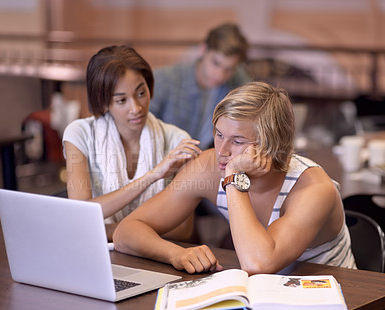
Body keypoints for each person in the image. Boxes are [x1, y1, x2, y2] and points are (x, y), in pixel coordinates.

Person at [113, 81, 356, 276]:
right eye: (219, 135)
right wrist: (175, 254)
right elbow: (126, 234)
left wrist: (233, 177)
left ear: (272, 145)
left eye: (238, 141)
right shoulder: (208, 166)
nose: (222, 150)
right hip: (264, 302)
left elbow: (258, 263)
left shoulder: (313, 187)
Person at [62, 45, 201, 241]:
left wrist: (112, 232)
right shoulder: (80, 134)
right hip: (98, 252)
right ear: (103, 103)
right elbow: (80, 213)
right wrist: (153, 175)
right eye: (121, 100)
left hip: (153, 254)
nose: (136, 108)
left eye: (141, 93)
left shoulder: (178, 141)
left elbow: (183, 229)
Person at [150, 22, 251, 150]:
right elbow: (143, 128)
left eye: (229, 69)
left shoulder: (236, 80)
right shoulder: (164, 80)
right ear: (203, 49)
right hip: (166, 157)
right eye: (216, 63)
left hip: (209, 160)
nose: (220, 75)